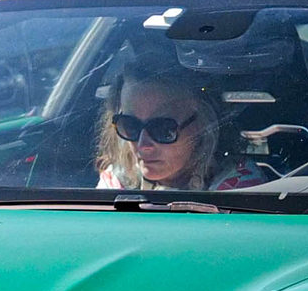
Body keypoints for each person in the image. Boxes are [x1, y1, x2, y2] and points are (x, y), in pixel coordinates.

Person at [96, 61, 271, 193]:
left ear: (203, 126)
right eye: (130, 126)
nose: (143, 145)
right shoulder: (116, 183)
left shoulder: (239, 191)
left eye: (163, 129)